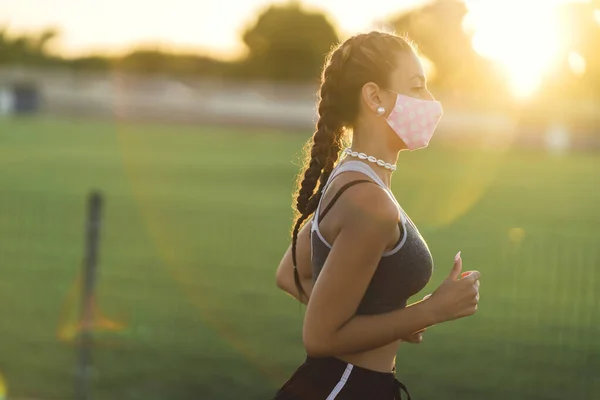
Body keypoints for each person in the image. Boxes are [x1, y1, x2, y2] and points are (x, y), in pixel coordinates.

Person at [273, 31, 481, 400]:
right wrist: (431, 310)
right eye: (418, 87)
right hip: (347, 388)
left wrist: (389, 322)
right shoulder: (370, 203)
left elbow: (290, 273)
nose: (433, 103)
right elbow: (319, 337)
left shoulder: (350, 176)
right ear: (375, 98)